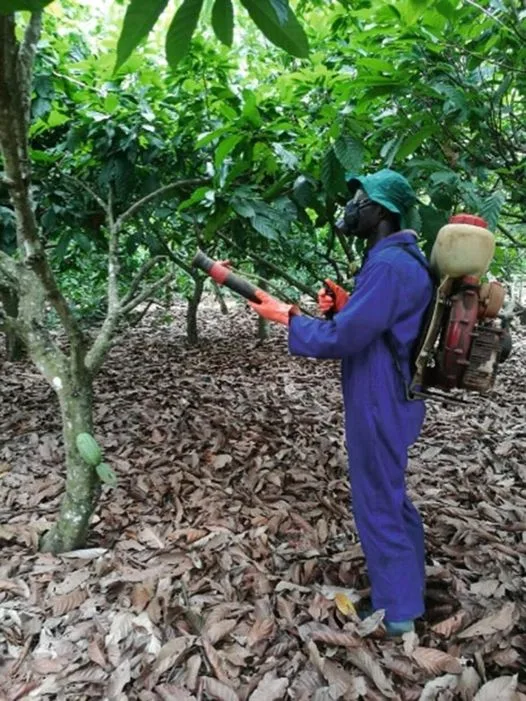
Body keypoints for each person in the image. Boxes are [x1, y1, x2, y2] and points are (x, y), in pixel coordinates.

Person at [248, 168, 434, 636]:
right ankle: (407, 591)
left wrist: (288, 319)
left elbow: (347, 337)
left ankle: (399, 616)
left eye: (360, 199)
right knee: (389, 495)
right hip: (388, 392)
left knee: (377, 502)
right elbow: (381, 321)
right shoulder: (395, 260)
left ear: (382, 212)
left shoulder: (391, 266)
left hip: (380, 397)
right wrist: (348, 301)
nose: (352, 207)